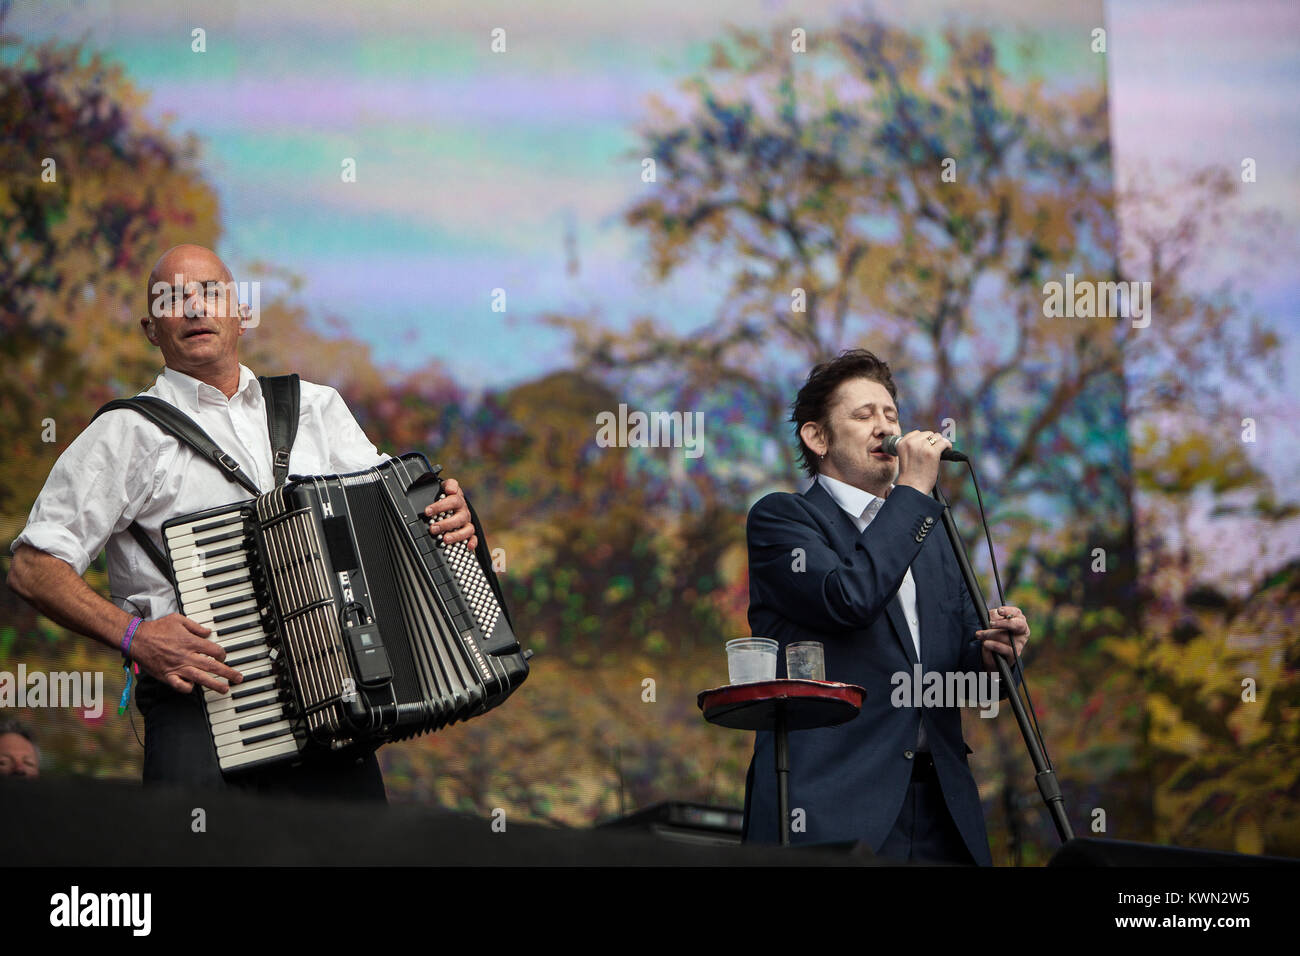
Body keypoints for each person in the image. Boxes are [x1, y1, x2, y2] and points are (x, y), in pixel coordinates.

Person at [7, 244, 481, 800]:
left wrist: (446, 517)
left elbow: (397, 512)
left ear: (241, 314)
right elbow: (33, 567)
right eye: (174, 298)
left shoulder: (316, 407)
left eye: (210, 293)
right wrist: (136, 636)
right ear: (150, 329)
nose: (194, 308)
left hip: (338, 702)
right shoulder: (127, 432)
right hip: (200, 706)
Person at [742, 349, 1030, 864]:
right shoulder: (783, 520)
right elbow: (848, 599)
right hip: (833, 806)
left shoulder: (931, 530)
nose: (885, 428)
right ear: (817, 437)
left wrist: (993, 656)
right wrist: (914, 490)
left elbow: (965, 678)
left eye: (891, 414)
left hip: (943, 807)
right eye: (863, 415)